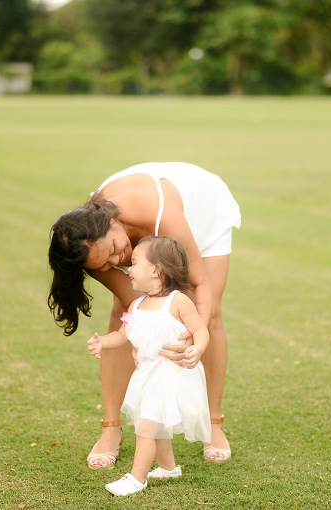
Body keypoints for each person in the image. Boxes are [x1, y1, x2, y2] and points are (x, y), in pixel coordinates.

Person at [48, 162, 240, 468]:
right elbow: (135, 302)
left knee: (209, 313)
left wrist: (193, 336)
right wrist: (141, 340)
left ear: (111, 221)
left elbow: (197, 283)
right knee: (124, 314)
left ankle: (214, 425)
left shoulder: (156, 211)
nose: (117, 259)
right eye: (105, 264)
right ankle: (111, 428)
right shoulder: (86, 245)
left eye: (114, 248)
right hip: (135, 225)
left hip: (201, 214)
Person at [87, 236, 210, 496]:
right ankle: (169, 468)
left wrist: (197, 349)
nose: (129, 270)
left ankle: (136, 478)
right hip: (146, 375)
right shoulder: (136, 304)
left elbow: (200, 329)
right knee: (155, 425)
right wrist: (103, 342)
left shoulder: (177, 302)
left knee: (146, 428)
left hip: (169, 376)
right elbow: (123, 334)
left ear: (156, 270)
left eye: (134, 263)